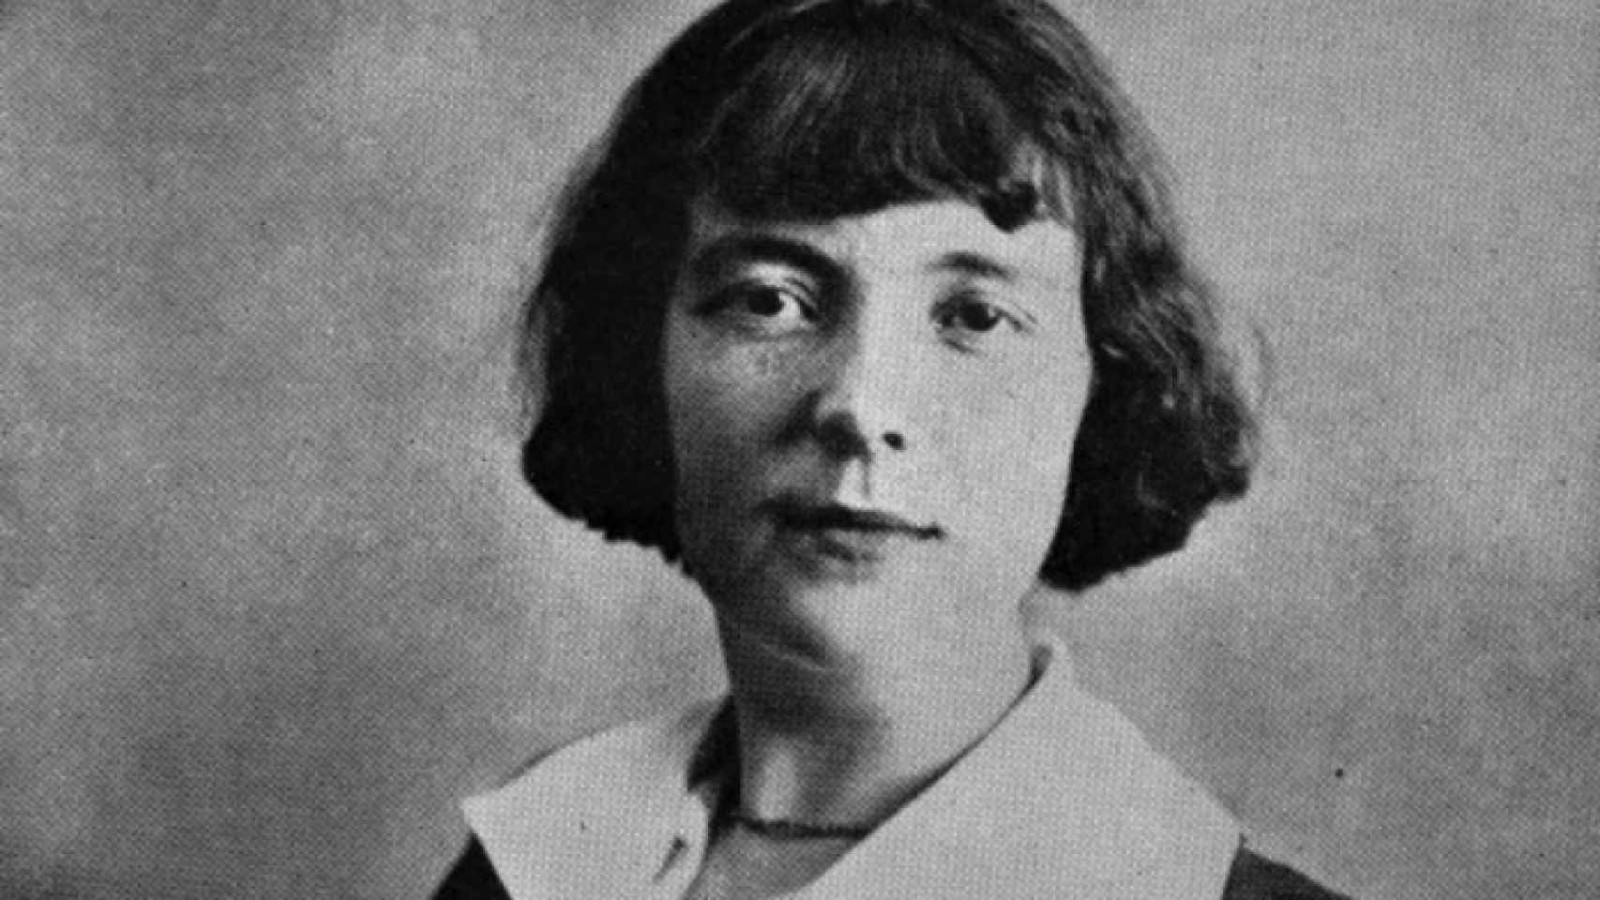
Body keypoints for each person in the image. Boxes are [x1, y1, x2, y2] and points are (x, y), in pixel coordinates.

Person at [437, 0, 1351, 897]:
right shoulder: (542, 860)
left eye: (975, 316)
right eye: (770, 300)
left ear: (1102, 386)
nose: (859, 405)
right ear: (642, 359)